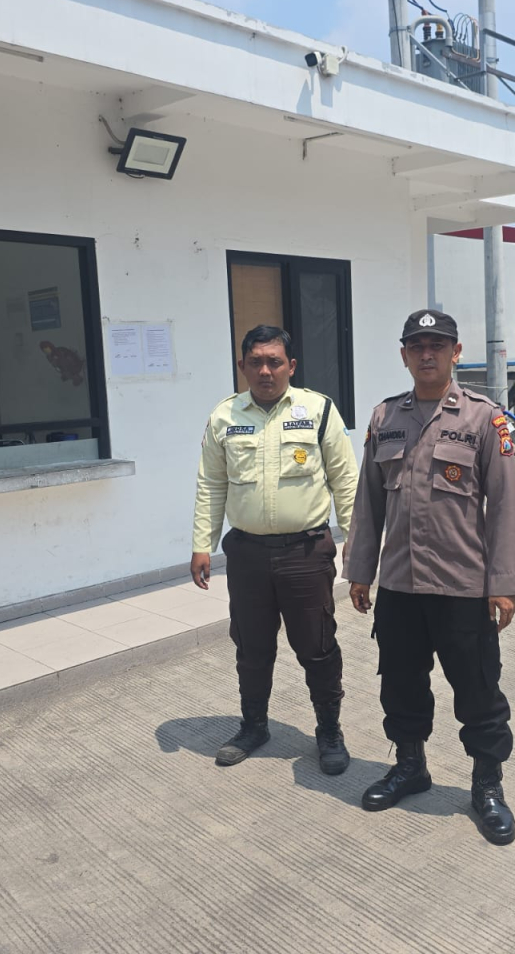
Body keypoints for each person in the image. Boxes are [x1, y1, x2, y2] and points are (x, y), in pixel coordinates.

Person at [343, 309, 515, 845]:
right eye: (417, 346)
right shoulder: (385, 417)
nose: (428, 354)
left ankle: (487, 785)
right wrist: (361, 570)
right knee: (400, 684)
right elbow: (368, 502)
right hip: (400, 585)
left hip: (463, 586)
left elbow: (505, 506)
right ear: (404, 355)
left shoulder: (485, 420)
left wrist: (503, 582)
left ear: (456, 352)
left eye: (438, 345)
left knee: (478, 690)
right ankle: (410, 766)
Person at [192, 325, 359, 775]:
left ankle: (329, 731)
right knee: (251, 648)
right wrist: (202, 544)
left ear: (291, 366)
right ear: (242, 366)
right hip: (247, 556)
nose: (265, 370)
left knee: (317, 647)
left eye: (274, 361)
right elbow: (211, 484)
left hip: (306, 554)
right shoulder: (224, 417)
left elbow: (346, 481)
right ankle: (253, 726)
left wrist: (357, 544)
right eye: (256, 362)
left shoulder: (319, 410)